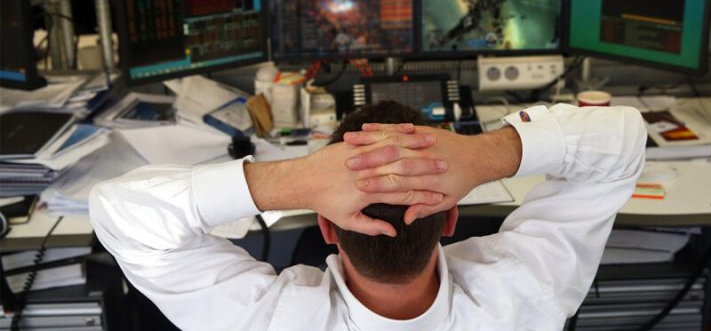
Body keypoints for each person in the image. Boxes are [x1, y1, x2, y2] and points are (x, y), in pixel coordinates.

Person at [90, 100, 646, 330]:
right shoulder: (526, 295)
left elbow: (120, 212)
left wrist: (298, 180)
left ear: (326, 226)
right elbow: (620, 141)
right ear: (450, 218)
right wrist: (483, 155)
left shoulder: (268, 322)